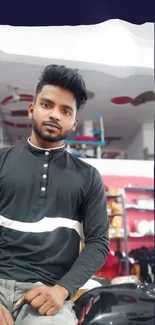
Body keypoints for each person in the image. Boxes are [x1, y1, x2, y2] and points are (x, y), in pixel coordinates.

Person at [0, 64, 109, 325]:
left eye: (65, 110)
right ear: (31, 109)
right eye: (47, 105)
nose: (54, 115)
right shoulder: (2, 161)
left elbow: (99, 243)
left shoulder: (88, 177)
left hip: (49, 294)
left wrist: (63, 289)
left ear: (74, 122)